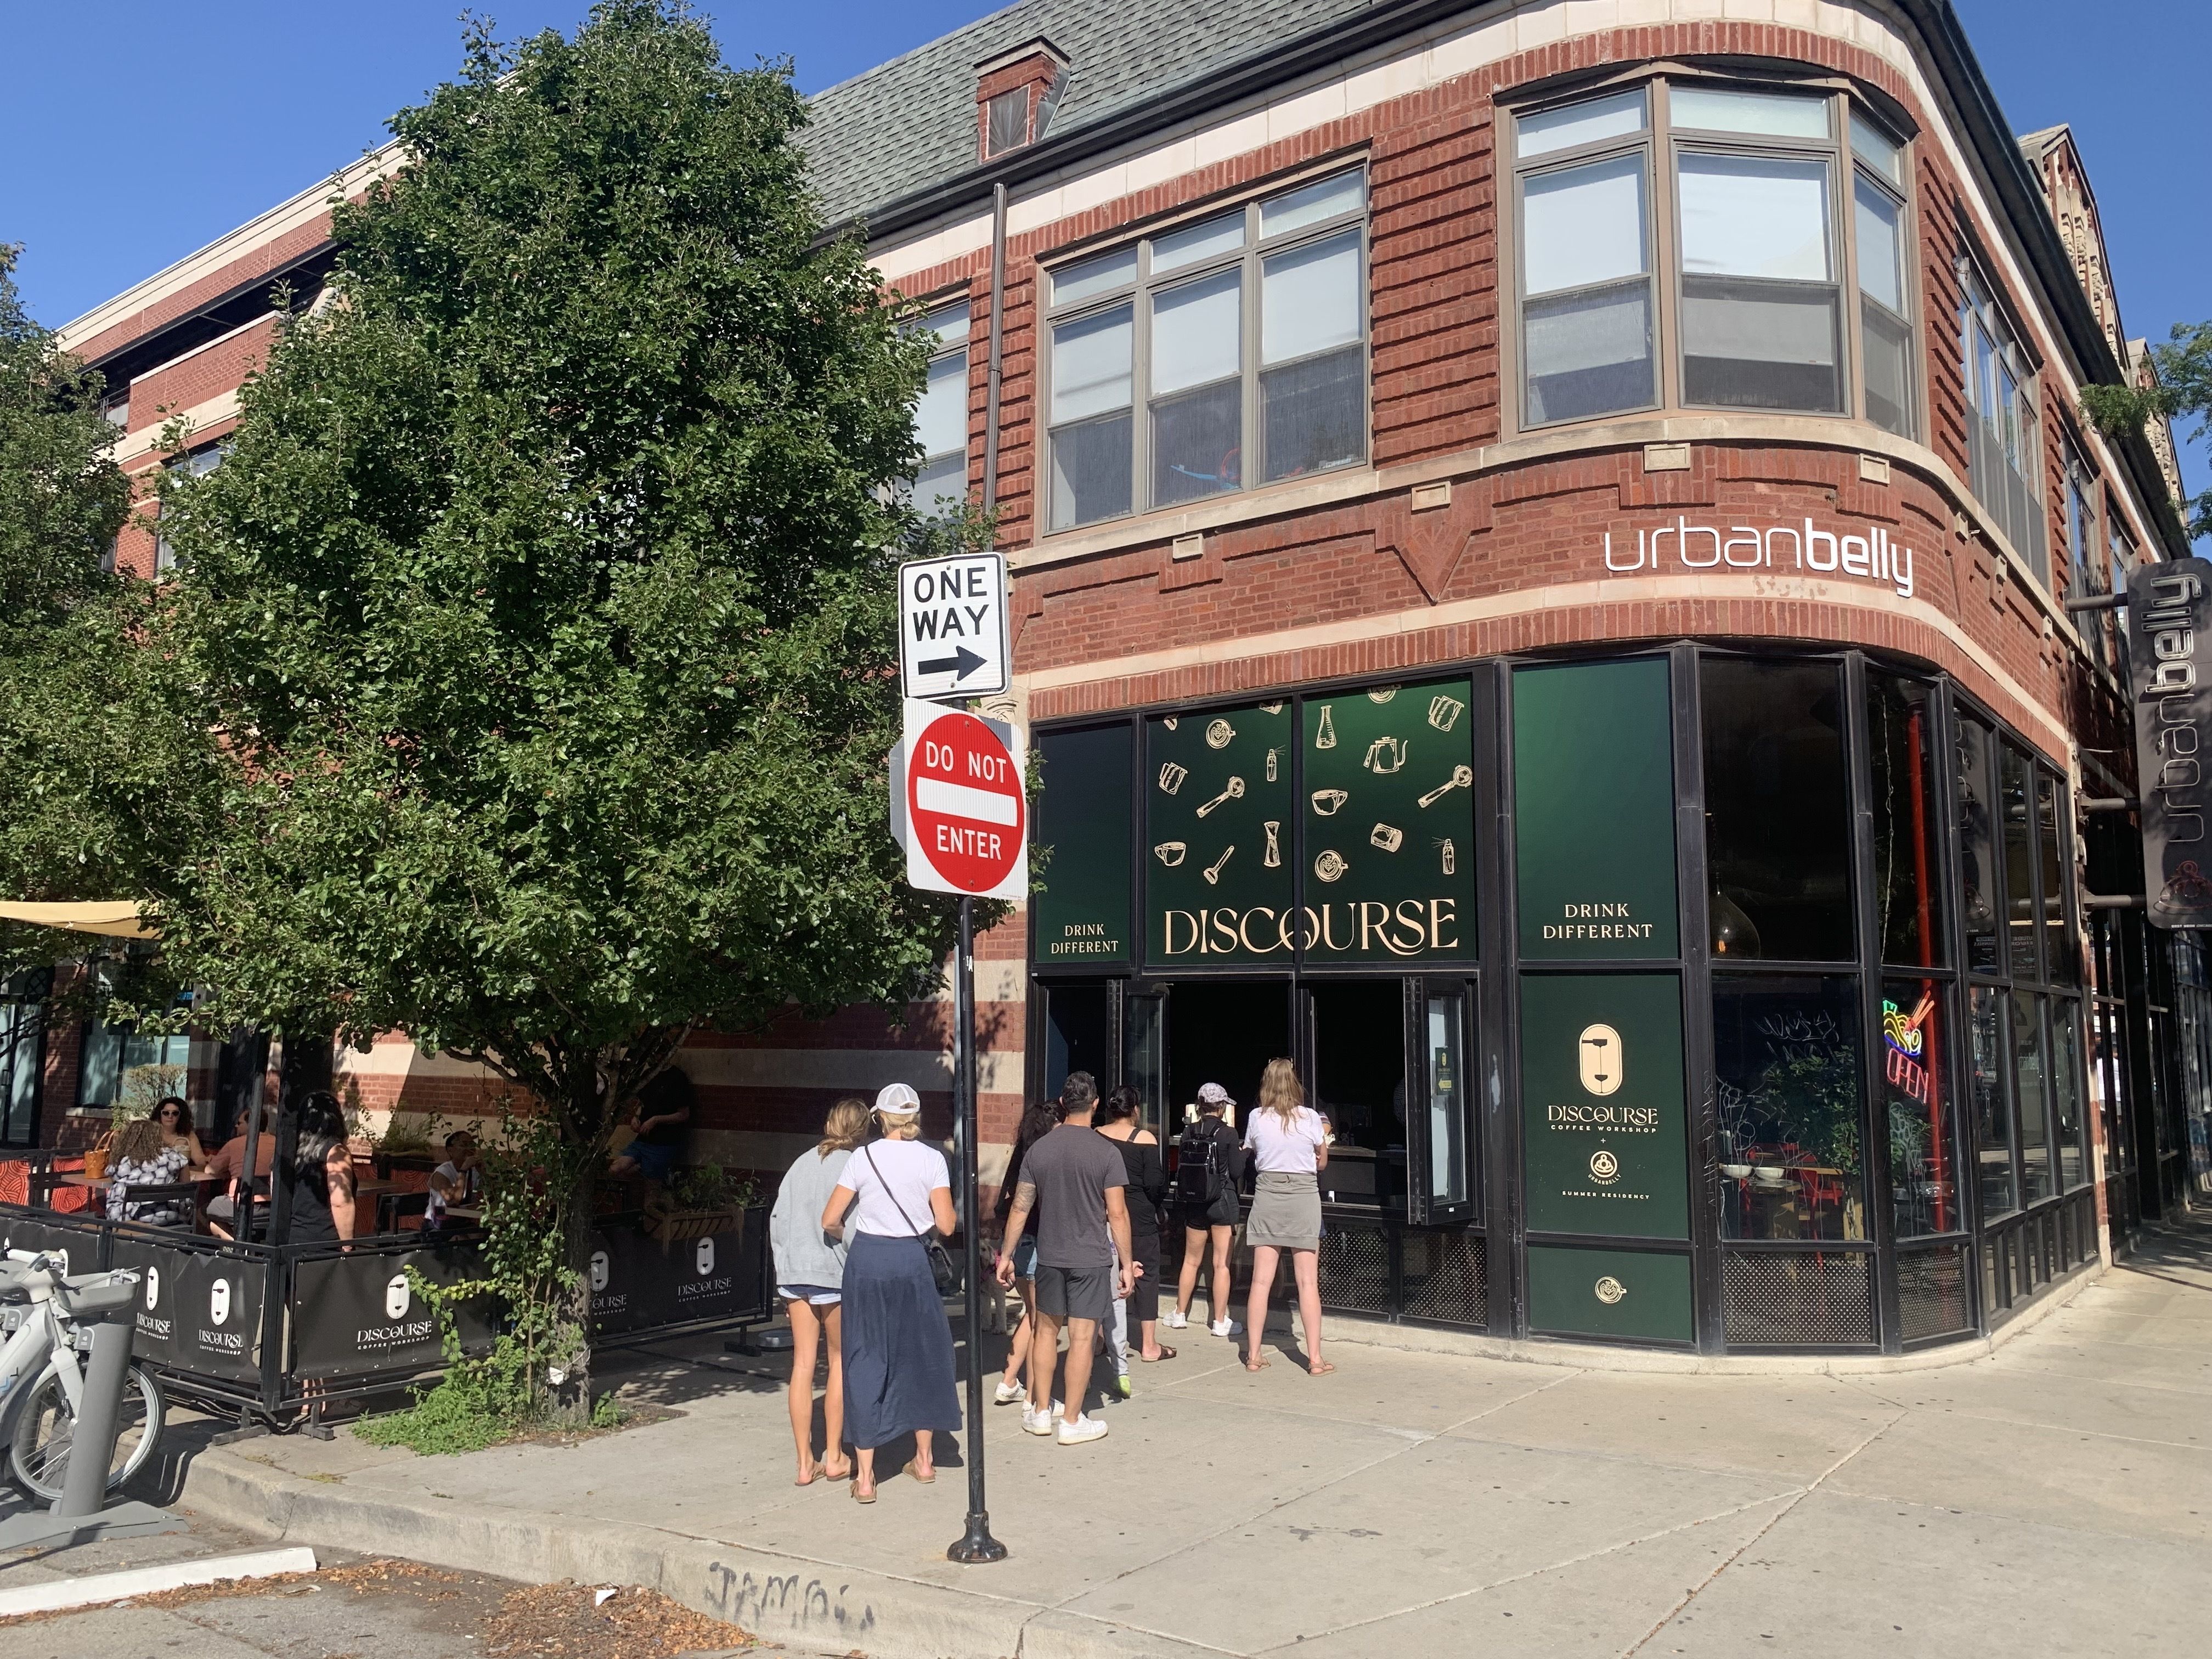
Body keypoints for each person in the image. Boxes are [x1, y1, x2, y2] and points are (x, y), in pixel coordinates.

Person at [821, 1083, 961, 1503]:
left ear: (881, 1117)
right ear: (915, 1117)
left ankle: (865, 1477)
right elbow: (949, 1225)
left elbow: (831, 1219)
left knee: (865, 1356)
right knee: (920, 1354)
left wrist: (854, 1238)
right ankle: (924, 1460)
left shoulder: (862, 1157)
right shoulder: (933, 1159)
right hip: (912, 1261)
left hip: (868, 1261)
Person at [994, 1071, 1132, 1446]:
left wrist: (1006, 1256)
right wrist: (1126, 1263)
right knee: (1083, 1337)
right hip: (1090, 1257)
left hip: (1050, 1255)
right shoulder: (1107, 1152)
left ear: (1062, 1104)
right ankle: (1072, 1419)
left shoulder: (1039, 1150)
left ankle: (1040, 1411)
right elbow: (1118, 1214)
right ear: (1096, 1105)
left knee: (1045, 1332)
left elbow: (1020, 1209)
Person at [771, 1098, 867, 1487]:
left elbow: (778, 1219)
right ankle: (834, 1455)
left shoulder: (800, 1163)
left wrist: (785, 1264)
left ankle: (803, 1463)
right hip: (835, 1274)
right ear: (863, 1130)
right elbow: (857, 1226)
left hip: (796, 1272)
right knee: (840, 1364)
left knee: (802, 1366)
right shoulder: (856, 1166)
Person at [1242, 1059, 1330, 1375]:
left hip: (1268, 1194)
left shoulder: (1256, 1117)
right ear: (1295, 1083)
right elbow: (1321, 1163)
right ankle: (1316, 1359)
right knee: (1308, 1282)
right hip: (1304, 1196)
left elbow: (1249, 1152)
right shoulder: (1309, 1117)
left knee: (1261, 1281)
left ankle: (1253, 1355)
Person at [992, 1096, 1064, 1408]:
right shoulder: (1049, 1158)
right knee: (1044, 1326)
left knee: (1033, 1318)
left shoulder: (1022, 1154)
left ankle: (1009, 1382)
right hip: (1040, 1243)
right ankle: (1037, 1401)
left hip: (1019, 1245)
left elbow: (1001, 1205)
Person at [1096, 1086, 1172, 1369]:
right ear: (1135, 1110)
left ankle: (1100, 1338)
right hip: (1138, 1215)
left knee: (1105, 1274)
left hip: (1102, 1214)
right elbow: (1155, 1183)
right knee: (1148, 1275)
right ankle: (1149, 1344)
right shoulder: (1145, 1138)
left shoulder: (1096, 1135)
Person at [1169, 1082, 1246, 1337]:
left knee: (1191, 1261)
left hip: (1196, 1202)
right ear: (1222, 1107)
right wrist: (1244, 1154)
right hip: (1222, 1201)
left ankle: (1180, 1314)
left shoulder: (1189, 1131)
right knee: (1221, 1264)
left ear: (1200, 1106)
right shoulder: (1229, 1134)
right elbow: (1235, 1172)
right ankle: (1220, 1321)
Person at [282, 1090, 358, 1246]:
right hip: (324, 1242)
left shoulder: (289, 1151)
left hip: (290, 1238)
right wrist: (347, 1246)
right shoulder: (336, 1152)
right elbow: (341, 1202)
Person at [609, 1068, 692, 1185]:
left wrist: (656, 1120)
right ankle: (642, 1168)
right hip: (643, 1140)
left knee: (651, 1187)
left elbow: (684, 1115)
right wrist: (636, 1117)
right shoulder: (649, 1074)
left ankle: (650, 1171)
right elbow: (642, 1104)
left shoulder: (677, 1077)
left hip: (663, 1143)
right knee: (616, 1169)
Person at [105, 1118, 191, 1227]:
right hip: (167, 1215)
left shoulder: (124, 1161)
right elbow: (187, 1189)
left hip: (126, 1216)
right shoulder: (176, 1157)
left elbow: (111, 1175)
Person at [203, 1121, 273, 1239]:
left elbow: (210, 1170)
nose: (236, 1126)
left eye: (239, 1123)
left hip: (242, 1205)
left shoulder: (235, 1144)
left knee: (206, 1210)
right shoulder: (276, 1142)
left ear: (250, 1124)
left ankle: (236, 1246)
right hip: (271, 1207)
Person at [422, 1131, 483, 1233]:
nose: (469, 1149)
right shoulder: (442, 1172)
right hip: (439, 1226)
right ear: (450, 1151)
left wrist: (483, 1172)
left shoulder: (474, 1171)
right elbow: (452, 1201)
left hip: (462, 1223)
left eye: (472, 1145)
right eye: (464, 1145)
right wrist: (463, 1170)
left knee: (482, 1237)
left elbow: (491, 1195)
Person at [151, 1096, 208, 1174]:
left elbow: (200, 1160)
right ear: (159, 1114)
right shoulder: (150, 1133)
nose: (170, 1116)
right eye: (166, 1113)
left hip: (180, 1178)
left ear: (181, 1116)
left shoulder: (189, 1135)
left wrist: (210, 1161)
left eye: (175, 1113)